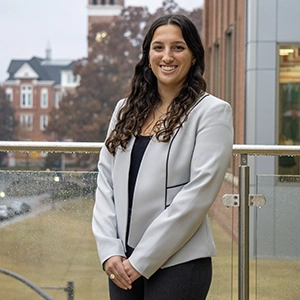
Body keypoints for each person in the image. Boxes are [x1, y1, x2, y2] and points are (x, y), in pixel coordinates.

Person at [92, 14, 233, 300]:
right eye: (158, 47)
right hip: (122, 261)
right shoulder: (124, 110)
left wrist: (141, 261)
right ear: (148, 55)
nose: (167, 56)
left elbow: (197, 196)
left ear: (193, 56)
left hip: (179, 262)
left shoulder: (212, 113)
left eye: (178, 47)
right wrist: (110, 252)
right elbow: (105, 183)